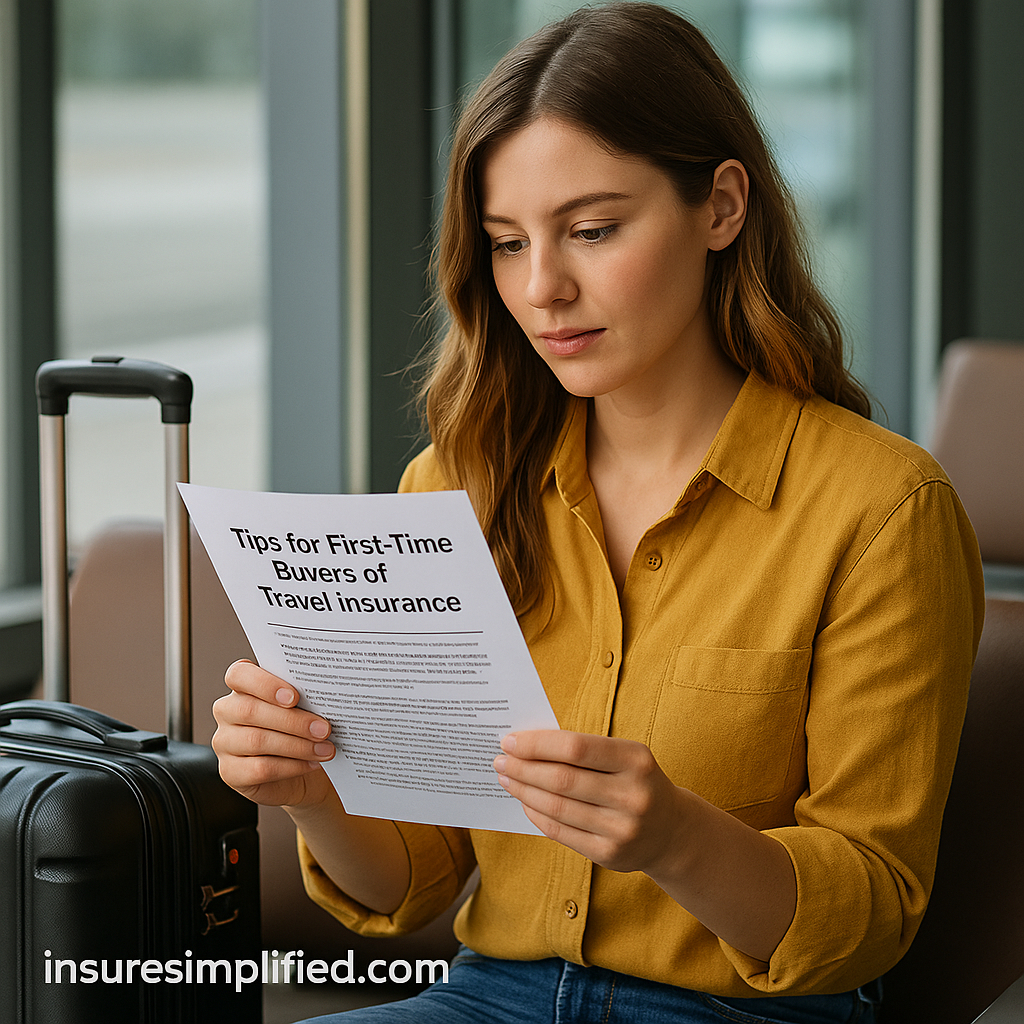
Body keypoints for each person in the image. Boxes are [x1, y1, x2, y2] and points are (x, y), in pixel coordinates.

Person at [212, 4, 984, 1022]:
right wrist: (311, 791)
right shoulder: (453, 485)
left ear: (720, 206)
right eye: (503, 243)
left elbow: (873, 911)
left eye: (591, 230)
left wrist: (673, 838)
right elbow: (415, 884)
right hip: (485, 996)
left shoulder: (883, 509)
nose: (542, 288)